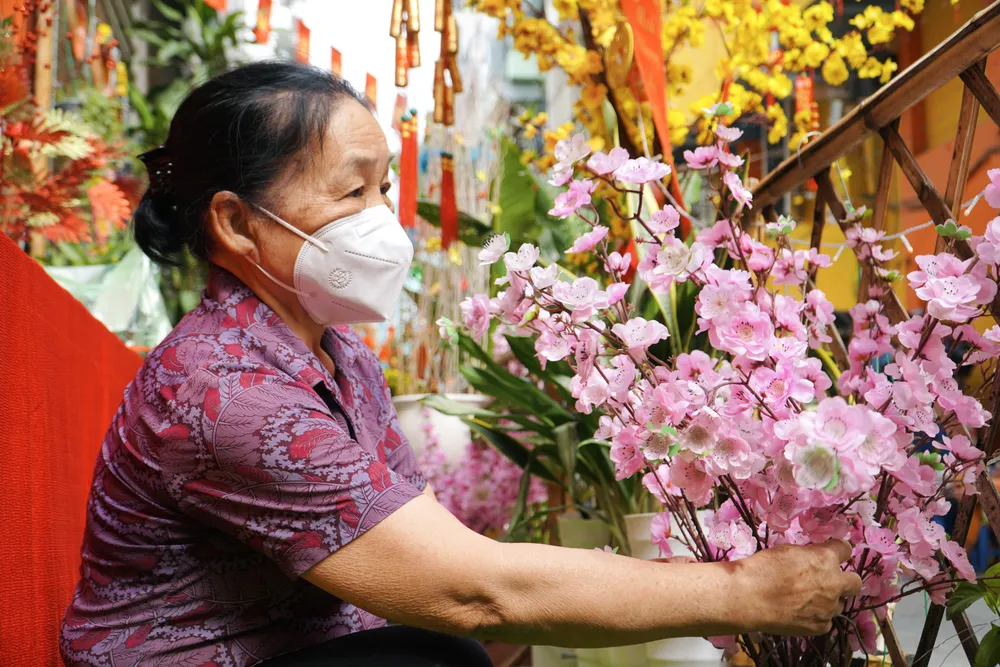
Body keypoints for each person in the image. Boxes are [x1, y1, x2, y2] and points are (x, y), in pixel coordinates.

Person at [60, 61, 861, 667]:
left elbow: (428, 561)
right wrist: (745, 591)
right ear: (236, 222)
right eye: (351, 194)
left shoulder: (339, 357)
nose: (384, 223)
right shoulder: (225, 393)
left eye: (383, 188)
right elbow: (471, 587)